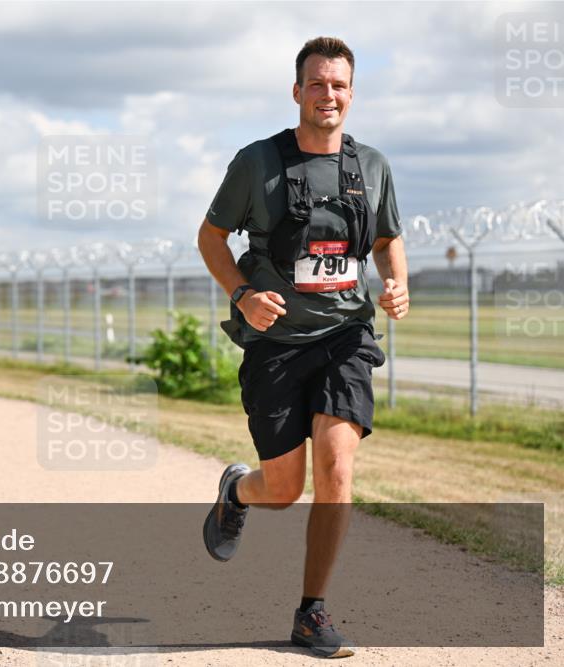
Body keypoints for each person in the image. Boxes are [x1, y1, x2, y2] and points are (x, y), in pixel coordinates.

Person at [197, 37, 408, 659]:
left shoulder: (371, 165)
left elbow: (388, 239)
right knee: (284, 490)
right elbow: (210, 238)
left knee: (337, 469)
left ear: (351, 92)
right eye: (317, 84)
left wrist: (397, 283)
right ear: (297, 92)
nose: (329, 94)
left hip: (346, 334)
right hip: (278, 344)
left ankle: (311, 614)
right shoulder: (257, 163)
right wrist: (241, 295)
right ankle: (239, 490)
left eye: (339, 84)